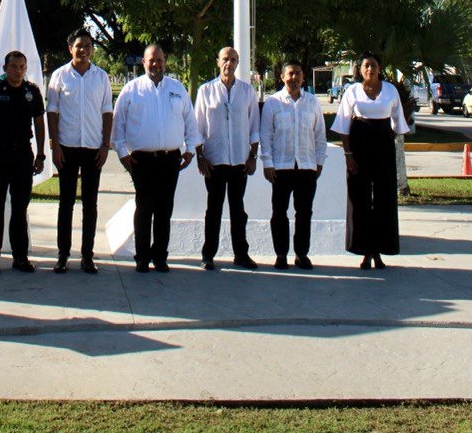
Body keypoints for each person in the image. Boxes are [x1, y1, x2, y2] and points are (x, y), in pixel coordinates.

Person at [112, 44, 198, 272]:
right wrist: (122, 155)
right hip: (142, 160)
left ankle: (160, 257)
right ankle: (141, 257)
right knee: (144, 209)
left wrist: (190, 150)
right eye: (151, 60)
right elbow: (117, 126)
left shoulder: (177, 88)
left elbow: (190, 121)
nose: (156, 64)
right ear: (144, 62)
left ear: (165, 61)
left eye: (159, 60)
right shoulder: (131, 90)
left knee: (164, 210)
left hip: (170, 160)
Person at [331, 52, 411, 269]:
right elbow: (343, 126)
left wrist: (385, 139)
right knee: (360, 198)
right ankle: (364, 251)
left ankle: (379, 251)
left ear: (379, 68)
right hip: (359, 147)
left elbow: (398, 123)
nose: (370, 69)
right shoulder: (353, 91)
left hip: (383, 148)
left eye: (373, 65)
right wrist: (348, 155)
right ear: (360, 69)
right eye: (366, 66)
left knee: (384, 198)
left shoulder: (391, 90)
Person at [46, 28, 113, 274]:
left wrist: (106, 145)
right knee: (66, 204)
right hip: (67, 148)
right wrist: (55, 146)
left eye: (88, 46)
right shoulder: (59, 76)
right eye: (79, 46)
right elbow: (52, 112)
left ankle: (87, 255)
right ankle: (63, 255)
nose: (83, 50)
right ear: (70, 48)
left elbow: (107, 112)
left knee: (90, 204)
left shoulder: (101, 77)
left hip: (93, 149)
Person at [0, 50, 46, 273]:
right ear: (5, 68)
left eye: (21, 67)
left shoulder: (32, 92)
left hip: (23, 155)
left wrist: (40, 154)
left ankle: (20, 256)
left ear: (25, 69)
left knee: (20, 207)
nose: (17, 71)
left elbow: (39, 123)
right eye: (14, 66)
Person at [194, 46, 260, 270]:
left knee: (238, 210)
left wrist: (253, 156)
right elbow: (198, 128)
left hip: (239, 161)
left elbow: (254, 128)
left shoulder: (247, 91)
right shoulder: (206, 91)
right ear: (218, 62)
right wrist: (200, 156)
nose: (228, 63)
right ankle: (208, 255)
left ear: (237, 62)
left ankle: (241, 254)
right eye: (225, 59)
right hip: (214, 161)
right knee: (213, 209)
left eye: (233, 59)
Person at [260, 60, 328, 270]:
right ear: (282, 77)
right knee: (279, 212)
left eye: (298, 73)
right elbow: (266, 135)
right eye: (290, 74)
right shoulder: (273, 102)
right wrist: (268, 163)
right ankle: (281, 254)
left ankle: (301, 254)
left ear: (303, 76)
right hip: (281, 167)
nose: (294, 77)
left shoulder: (312, 102)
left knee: (304, 212)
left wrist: (319, 161)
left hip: (307, 167)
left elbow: (319, 134)